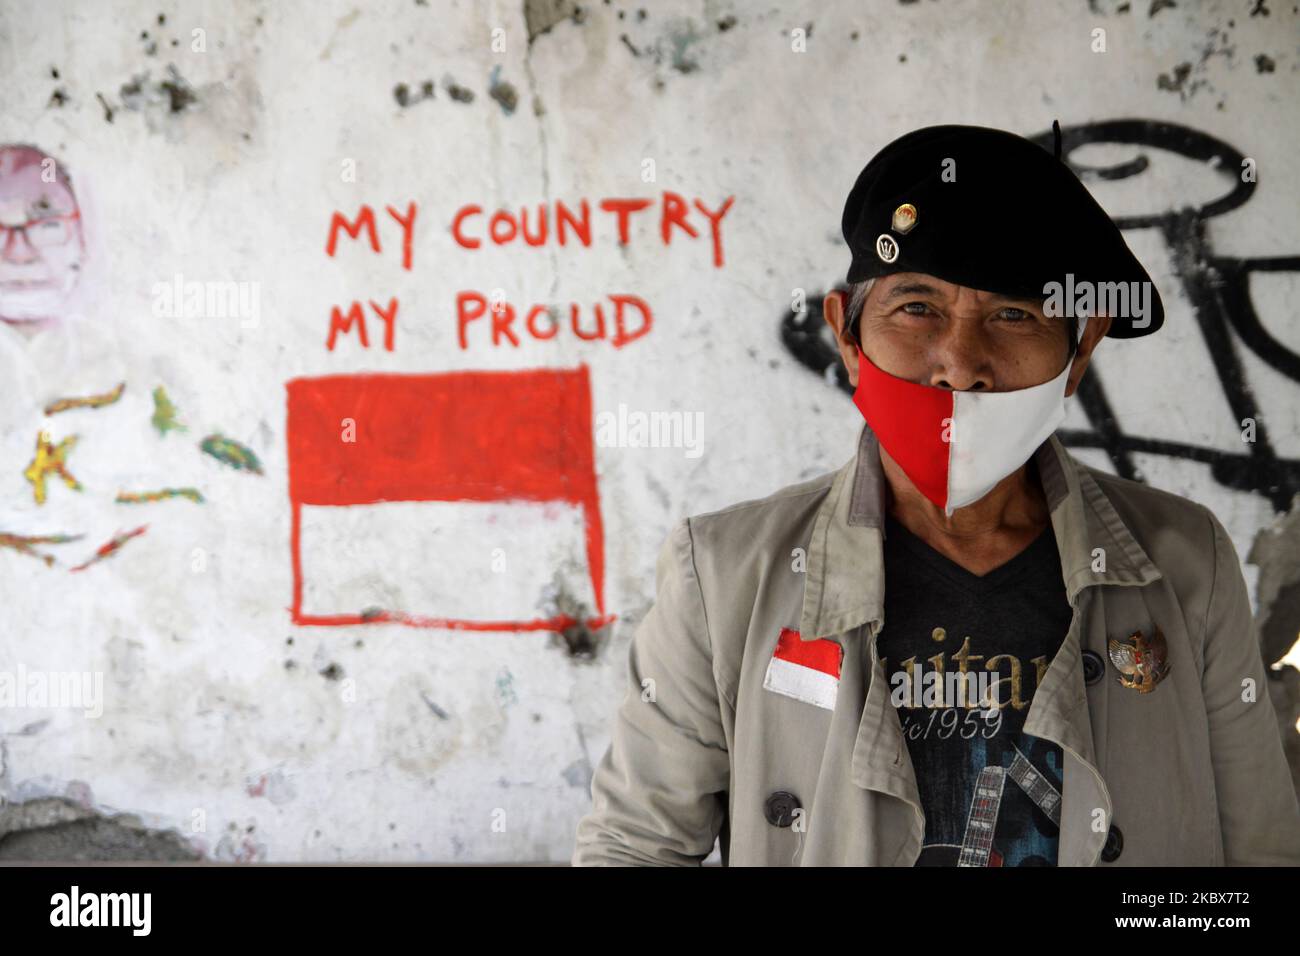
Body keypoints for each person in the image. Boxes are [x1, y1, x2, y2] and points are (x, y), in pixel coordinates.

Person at [571, 123, 1300, 866]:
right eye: (917, 308)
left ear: (1079, 352)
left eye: (1014, 313)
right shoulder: (724, 575)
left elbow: (1261, 847)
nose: (960, 365)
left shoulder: (1185, 563)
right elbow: (636, 846)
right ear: (847, 338)